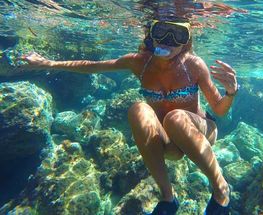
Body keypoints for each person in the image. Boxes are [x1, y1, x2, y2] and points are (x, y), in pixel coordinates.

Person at [20, 17, 238, 215]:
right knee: (138, 109)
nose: (168, 41)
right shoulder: (139, 62)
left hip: (201, 131)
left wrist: (230, 93)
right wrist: (48, 63)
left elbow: (219, 109)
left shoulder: (193, 64)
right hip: (169, 143)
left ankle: (221, 190)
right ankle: (168, 198)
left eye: (178, 35)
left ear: (186, 41)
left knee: (176, 118)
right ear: (151, 34)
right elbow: (91, 67)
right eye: (162, 31)